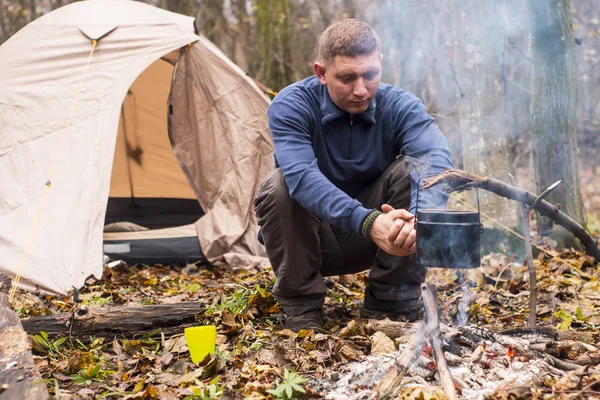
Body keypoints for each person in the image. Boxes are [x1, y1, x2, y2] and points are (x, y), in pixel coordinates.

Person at [254, 19, 454, 332]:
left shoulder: (401, 105)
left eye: (370, 75)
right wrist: (368, 221)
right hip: (314, 242)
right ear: (321, 73)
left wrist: (415, 220)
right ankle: (302, 308)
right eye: (346, 78)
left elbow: (438, 162)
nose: (360, 90)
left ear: (381, 64)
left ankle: (391, 299)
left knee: (414, 171)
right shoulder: (292, 105)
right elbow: (303, 178)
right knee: (279, 185)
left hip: (387, 242)